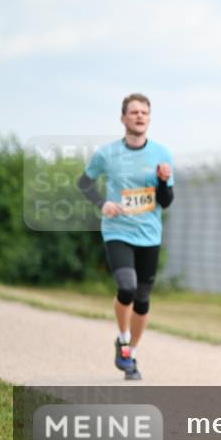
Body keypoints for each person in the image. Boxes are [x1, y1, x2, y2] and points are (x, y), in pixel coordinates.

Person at [77, 93, 175, 381]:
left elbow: (166, 201)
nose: (140, 116)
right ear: (123, 118)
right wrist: (102, 204)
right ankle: (122, 338)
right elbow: (84, 183)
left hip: (149, 234)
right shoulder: (107, 154)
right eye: (134, 112)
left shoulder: (162, 154)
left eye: (144, 112)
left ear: (149, 118)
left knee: (143, 300)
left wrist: (161, 180)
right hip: (118, 230)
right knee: (127, 288)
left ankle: (130, 353)